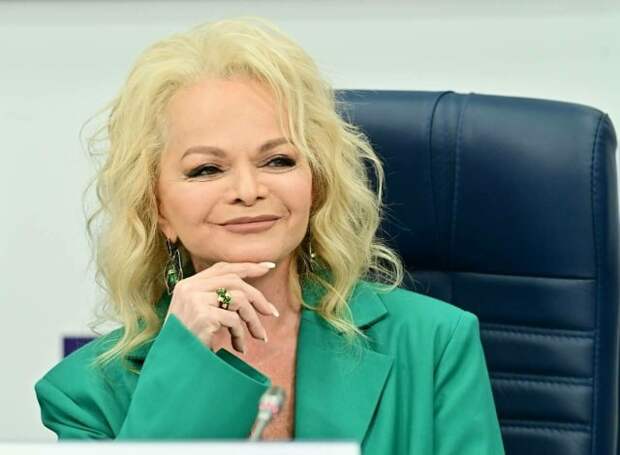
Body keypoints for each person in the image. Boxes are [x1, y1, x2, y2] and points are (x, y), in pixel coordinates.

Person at [34, 17, 505, 454]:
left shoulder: (435, 341)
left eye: (278, 160)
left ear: (315, 184)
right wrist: (184, 361)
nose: (248, 190)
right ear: (158, 209)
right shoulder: (84, 395)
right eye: (206, 169)